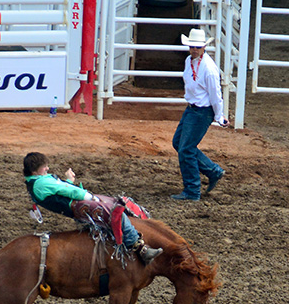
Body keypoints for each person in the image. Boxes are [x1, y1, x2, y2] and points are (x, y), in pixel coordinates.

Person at [23, 152, 162, 265]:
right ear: (35, 171)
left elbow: (59, 190)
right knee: (114, 211)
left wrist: (69, 181)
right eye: (44, 167)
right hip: (77, 205)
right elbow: (68, 191)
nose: (47, 168)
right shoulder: (41, 183)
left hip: (75, 204)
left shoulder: (36, 182)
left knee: (114, 204)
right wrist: (90, 197)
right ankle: (141, 249)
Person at [171, 27, 227, 201]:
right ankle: (212, 171)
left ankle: (193, 190)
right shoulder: (190, 61)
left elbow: (215, 94)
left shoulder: (209, 69)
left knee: (185, 148)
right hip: (193, 108)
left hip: (202, 111)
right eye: (192, 46)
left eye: (197, 46)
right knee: (179, 143)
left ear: (203, 47)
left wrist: (220, 116)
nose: (194, 49)